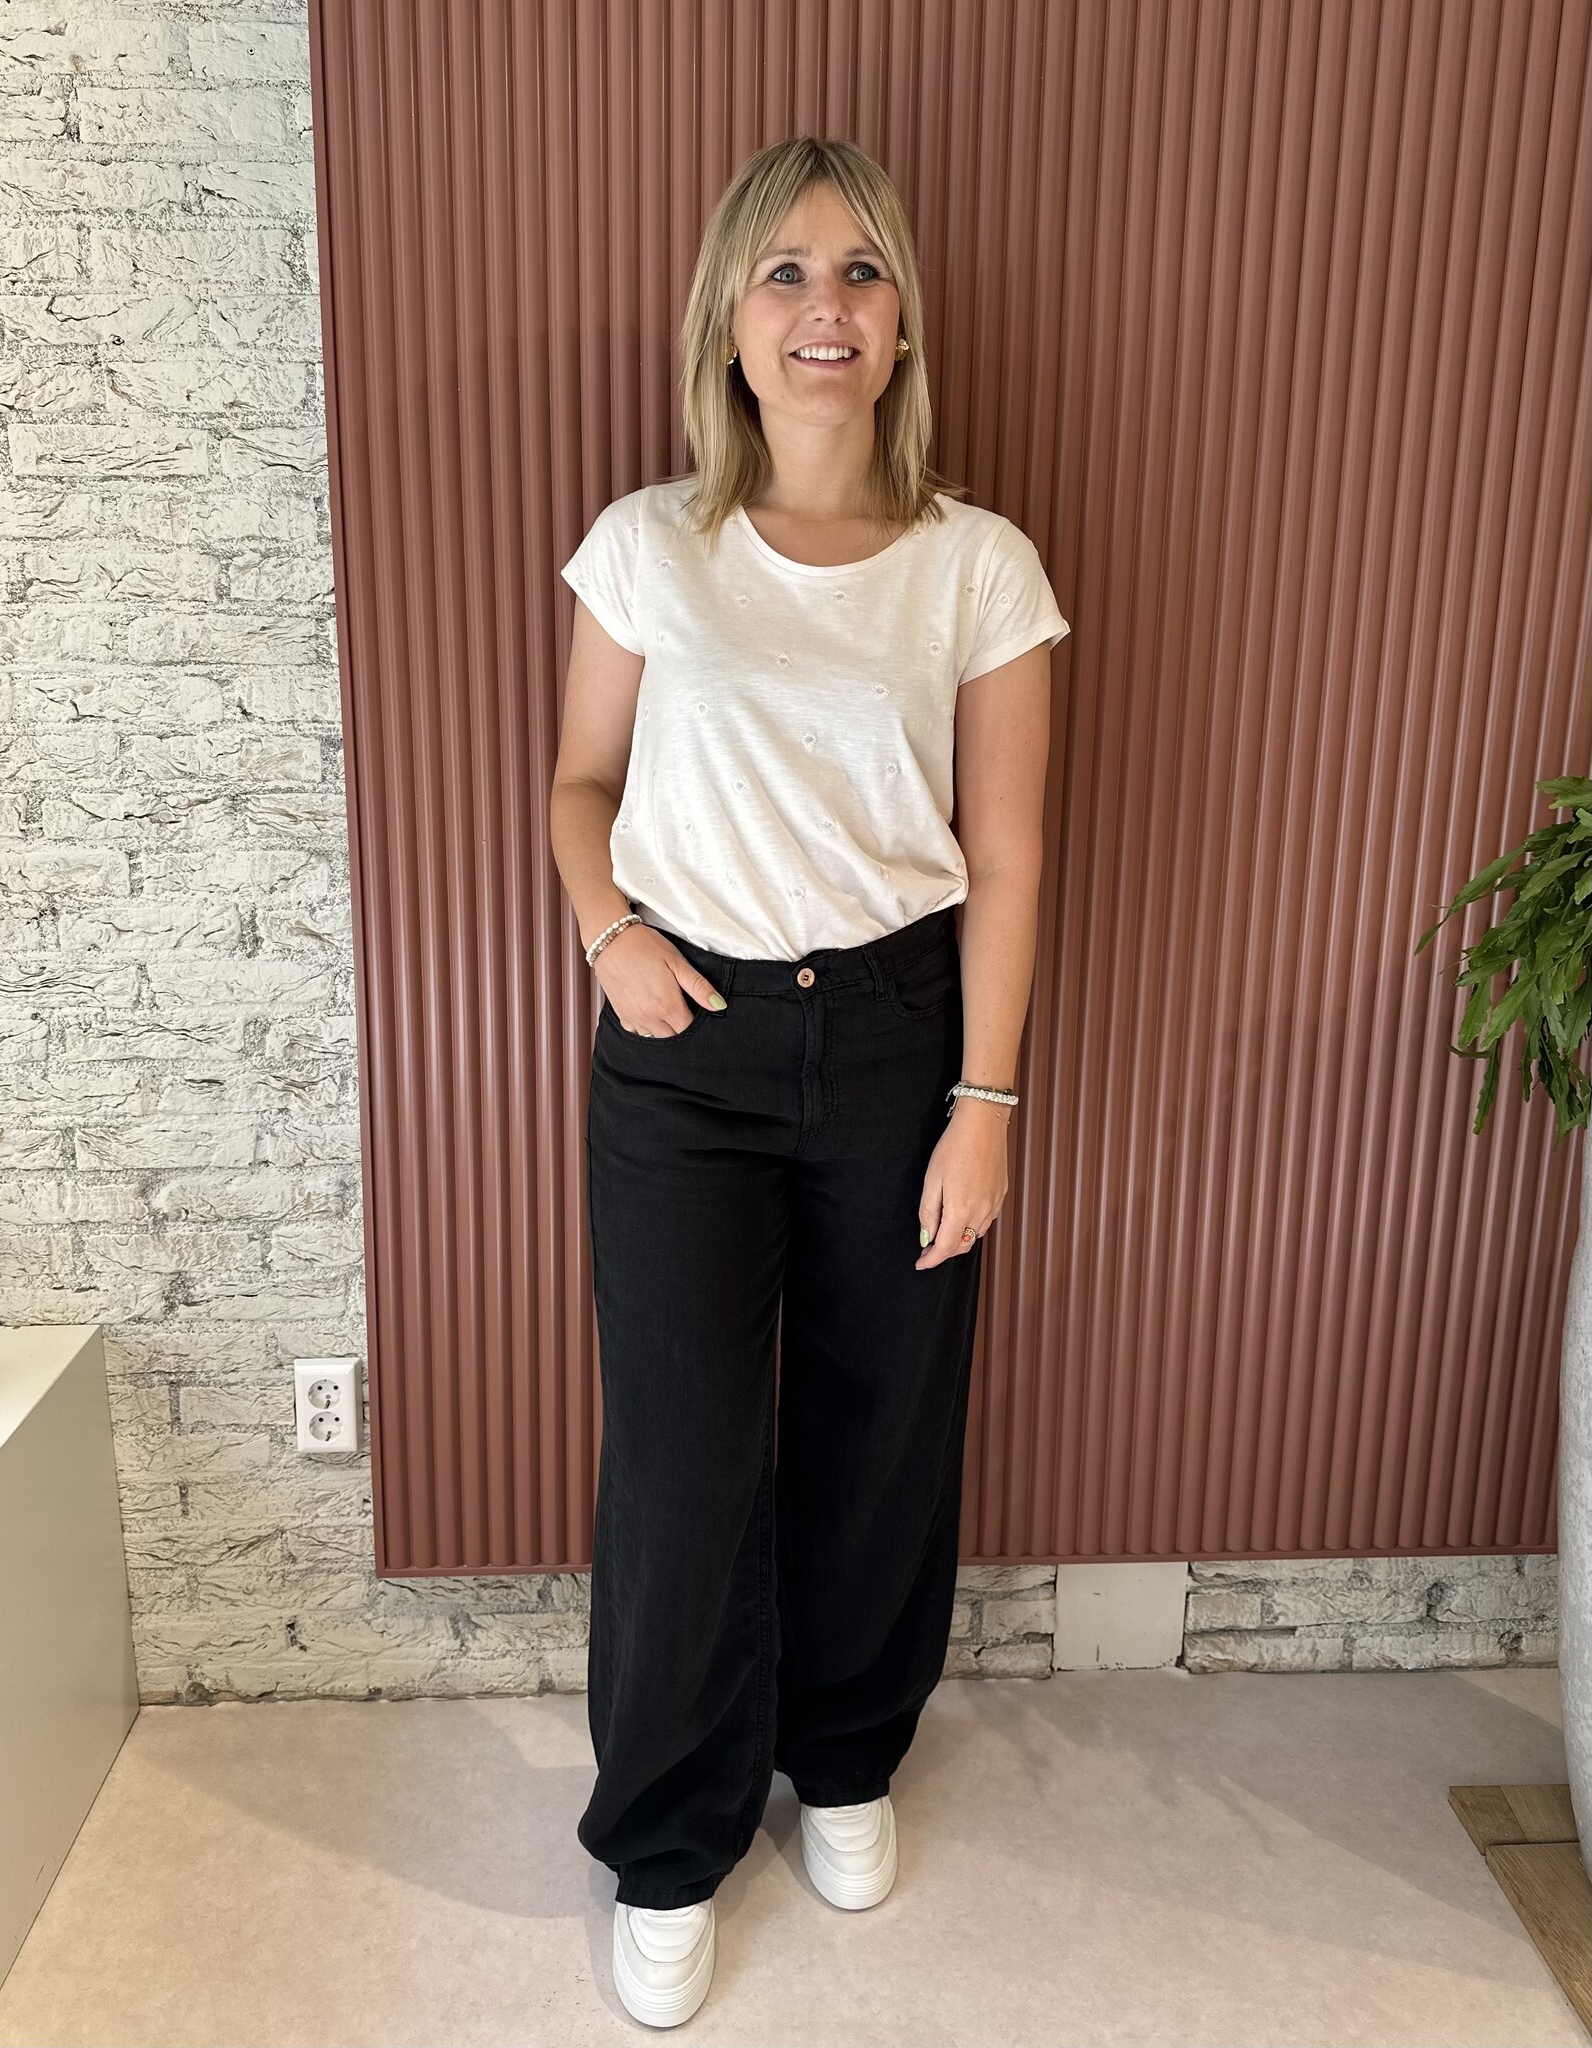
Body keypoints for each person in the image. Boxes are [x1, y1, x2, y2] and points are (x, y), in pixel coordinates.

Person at [551, 134, 1069, 2030]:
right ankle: (667, 1844)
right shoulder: (647, 545)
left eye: (859, 271)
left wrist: (985, 1107)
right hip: (682, 1050)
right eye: (783, 273)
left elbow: (1008, 853)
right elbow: (578, 784)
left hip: (902, 1038)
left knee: (882, 1431)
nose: (823, 307)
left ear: (902, 320)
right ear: (729, 322)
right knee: (682, 1457)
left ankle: (844, 1757)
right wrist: (609, 933)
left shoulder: (978, 567)